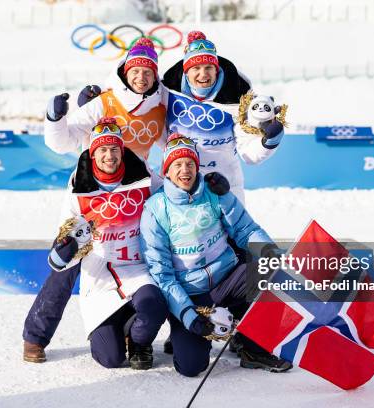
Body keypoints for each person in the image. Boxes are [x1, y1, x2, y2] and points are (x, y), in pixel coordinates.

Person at [139, 134, 292, 377]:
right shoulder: (156, 209)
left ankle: (252, 347)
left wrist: (271, 255)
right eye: (177, 165)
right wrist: (189, 315)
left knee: (273, 275)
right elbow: (162, 276)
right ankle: (182, 329)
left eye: (190, 164)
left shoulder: (214, 192)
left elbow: (246, 230)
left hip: (227, 278)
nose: (185, 170)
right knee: (191, 366)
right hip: (191, 292)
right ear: (166, 171)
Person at [24, 117, 168, 369]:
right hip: (98, 265)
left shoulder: (142, 174)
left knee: (159, 296)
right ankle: (35, 336)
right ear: (92, 153)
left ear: (122, 151)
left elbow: (172, 199)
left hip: (134, 263)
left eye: (114, 149)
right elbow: (65, 235)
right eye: (102, 149)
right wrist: (65, 250)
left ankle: (145, 338)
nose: (109, 155)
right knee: (109, 358)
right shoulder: (79, 183)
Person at [160, 31, 285, 203]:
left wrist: (270, 141)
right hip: (179, 181)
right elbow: (143, 114)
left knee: (236, 229)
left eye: (209, 68)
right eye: (196, 68)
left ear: (217, 70)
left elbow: (249, 153)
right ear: (186, 72)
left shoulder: (237, 97)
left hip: (224, 182)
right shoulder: (168, 90)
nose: (203, 74)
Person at [44, 37, 168, 160]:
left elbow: (174, 146)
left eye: (147, 72)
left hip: (138, 178)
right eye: (135, 71)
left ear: (154, 76)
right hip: (95, 177)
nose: (141, 77)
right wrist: (54, 119)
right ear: (126, 73)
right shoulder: (102, 104)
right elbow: (63, 144)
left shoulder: (159, 106)